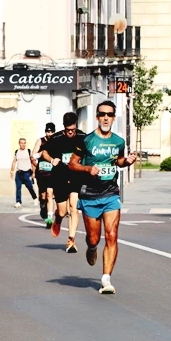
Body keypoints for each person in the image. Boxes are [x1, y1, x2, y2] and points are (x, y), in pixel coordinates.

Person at [69, 101, 137, 294]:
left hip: (110, 193)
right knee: (93, 239)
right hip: (90, 194)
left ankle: (106, 279)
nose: (106, 117)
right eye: (102, 114)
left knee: (112, 235)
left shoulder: (118, 142)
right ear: (97, 117)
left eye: (109, 114)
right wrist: (87, 168)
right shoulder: (87, 141)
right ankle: (91, 248)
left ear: (114, 118)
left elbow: (119, 161)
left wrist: (127, 161)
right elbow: (72, 164)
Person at [41, 112, 87, 253]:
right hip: (59, 178)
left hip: (75, 177)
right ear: (64, 127)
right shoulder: (56, 138)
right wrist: (51, 160)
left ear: (76, 126)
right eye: (68, 130)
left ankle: (71, 241)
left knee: (74, 208)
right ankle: (58, 218)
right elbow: (44, 153)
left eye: (73, 130)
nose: (70, 133)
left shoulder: (82, 137)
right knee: (62, 211)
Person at [33, 123, 57, 227]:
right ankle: (43, 206)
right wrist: (40, 156)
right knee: (43, 196)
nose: (50, 134)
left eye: (51, 132)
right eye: (48, 131)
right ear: (45, 132)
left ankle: (49, 219)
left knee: (50, 195)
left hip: (52, 173)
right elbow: (33, 155)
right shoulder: (40, 141)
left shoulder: (57, 141)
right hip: (41, 173)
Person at [10, 138, 37, 208]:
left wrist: (34, 172)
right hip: (19, 172)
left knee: (29, 186)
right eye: (21, 143)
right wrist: (12, 171)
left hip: (27, 172)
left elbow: (33, 161)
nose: (23, 144)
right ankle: (18, 202)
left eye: (24, 143)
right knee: (18, 188)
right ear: (19, 144)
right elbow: (14, 162)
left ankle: (35, 198)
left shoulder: (28, 151)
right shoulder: (17, 152)